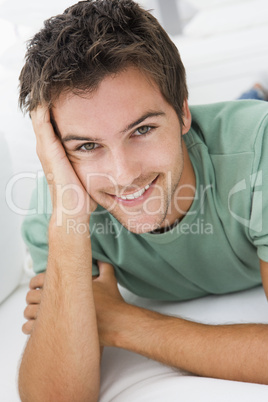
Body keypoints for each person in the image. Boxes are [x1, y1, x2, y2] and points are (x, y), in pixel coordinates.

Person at [18, 0, 268, 400]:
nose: (123, 174)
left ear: (182, 110)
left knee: (251, 108)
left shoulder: (258, 151)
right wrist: (68, 220)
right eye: (86, 145)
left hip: (241, 126)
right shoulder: (58, 209)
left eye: (142, 129)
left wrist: (121, 322)